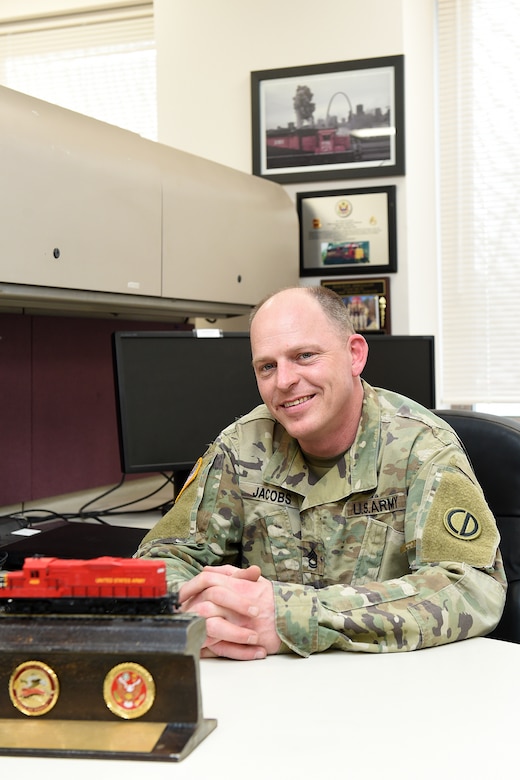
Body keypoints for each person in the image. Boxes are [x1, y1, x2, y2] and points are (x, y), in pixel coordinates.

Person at [135, 286, 506, 659]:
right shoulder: (241, 446)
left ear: (354, 355)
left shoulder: (420, 448)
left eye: (304, 356)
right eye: (267, 366)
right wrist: (202, 609)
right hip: (269, 684)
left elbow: (471, 587)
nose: (284, 381)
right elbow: (161, 561)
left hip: (391, 685)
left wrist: (291, 618)